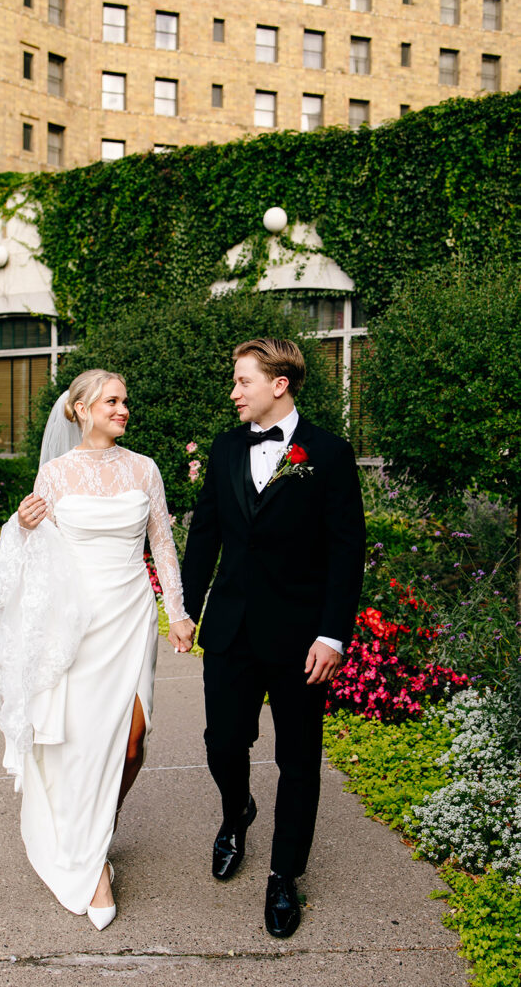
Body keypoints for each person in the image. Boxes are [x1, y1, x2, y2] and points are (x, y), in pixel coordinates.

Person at [0, 369, 194, 930]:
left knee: (132, 742)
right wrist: (22, 527)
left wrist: (178, 612)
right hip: (74, 622)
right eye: (112, 400)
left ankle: (95, 828)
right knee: (78, 742)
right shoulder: (53, 475)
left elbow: (163, 544)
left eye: (126, 400)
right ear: (80, 409)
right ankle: (92, 853)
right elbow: (33, 553)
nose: (124, 408)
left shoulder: (143, 468)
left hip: (130, 617)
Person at [181, 338, 365, 938]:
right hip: (230, 629)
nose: (233, 393)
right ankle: (236, 814)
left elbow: (346, 553)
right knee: (221, 743)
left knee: (299, 761)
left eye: (243, 382)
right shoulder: (226, 447)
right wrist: (183, 608)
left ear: (278, 385)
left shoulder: (330, 455)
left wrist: (332, 635)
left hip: (300, 640)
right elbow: (205, 534)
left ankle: (284, 876)